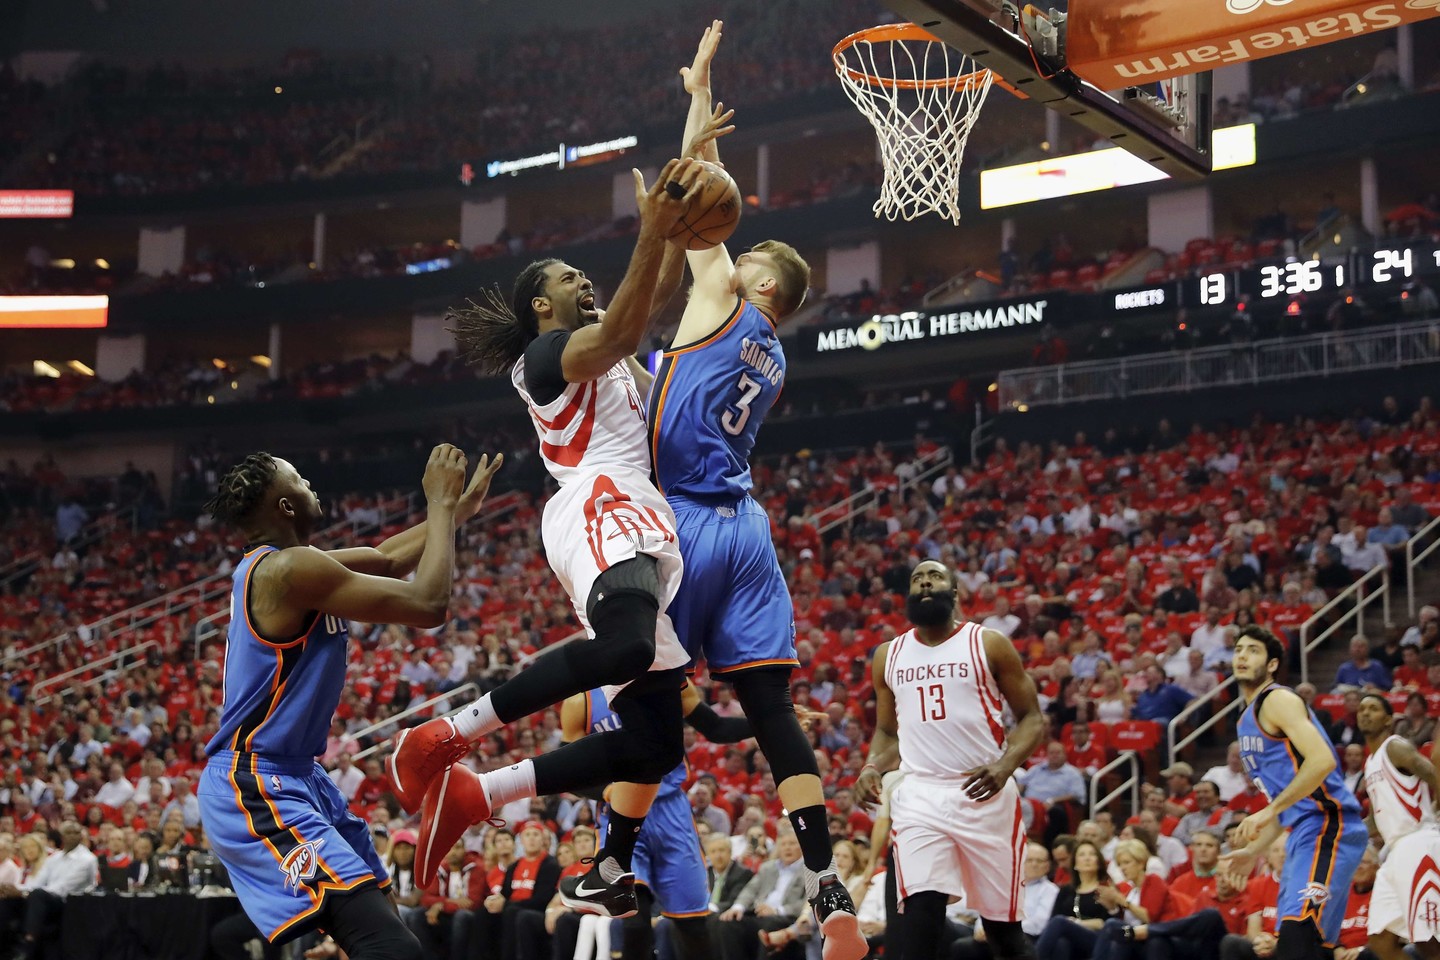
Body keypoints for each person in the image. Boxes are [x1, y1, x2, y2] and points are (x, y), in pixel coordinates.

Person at [389, 154, 713, 909]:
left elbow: (657, 287)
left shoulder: (608, 346)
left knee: (655, 746)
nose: (584, 280)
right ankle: (443, 734)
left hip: (632, 512)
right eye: (570, 277)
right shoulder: (544, 358)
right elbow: (629, 321)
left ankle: (479, 792)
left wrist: (690, 161)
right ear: (541, 304)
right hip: (599, 502)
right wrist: (651, 229)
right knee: (628, 649)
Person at [642, 23, 863, 960]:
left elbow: (697, 201)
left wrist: (697, 98)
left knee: (646, 694)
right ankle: (825, 878)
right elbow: (709, 208)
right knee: (772, 710)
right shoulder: (774, 355)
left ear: (758, 277)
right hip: (749, 528)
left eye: (744, 253)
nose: (728, 252)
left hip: (690, 518)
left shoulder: (724, 300)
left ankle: (614, 855)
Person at [196, 444, 496, 959]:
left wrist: (457, 512)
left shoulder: (290, 567)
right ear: (285, 506)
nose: (310, 484)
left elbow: (388, 558)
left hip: (299, 776)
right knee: (391, 947)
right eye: (299, 479)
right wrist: (440, 505)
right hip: (257, 783)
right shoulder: (289, 571)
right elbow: (429, 604)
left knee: (388, 934)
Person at [856, 559, 1045, 960]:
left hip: (983, 793)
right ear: (908, 594)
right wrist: (872, 765)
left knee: (1002, 936)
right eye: (917, 578)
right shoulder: (888, 655)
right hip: (920, 797)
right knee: (918, 922)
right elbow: (888, 732)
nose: (925, 582)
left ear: (954, 592)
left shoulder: (988, 643)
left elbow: (1031, 717)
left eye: (935, 576)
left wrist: (1005, 765)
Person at [559, 679, 755, 960]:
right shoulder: (581, 702)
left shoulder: (668, 676)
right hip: (621, 812)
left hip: (670, 809)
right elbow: (569, 770)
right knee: (633, 918)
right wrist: (607, 791)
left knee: (692, 925)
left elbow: (715, 726)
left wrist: (771, 720)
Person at [1218, 625, 1367, 960]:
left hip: (1329, 825)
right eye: (1238, 649)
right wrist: (1254, 851)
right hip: (1303, 831)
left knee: (1298, 938)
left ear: (1272, 664)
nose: (1242, 656)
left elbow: (1323, 761)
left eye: (1253, 650)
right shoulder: (1245, 721)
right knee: (1307, 944)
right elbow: (1286, 803)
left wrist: (1270, 810)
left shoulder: (1278, 700)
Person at [1355, 692, 1440, 960]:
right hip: (1395, 853)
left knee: (1429, 939)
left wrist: (1436, 810)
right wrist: (1343, 832)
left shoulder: (1395, 747)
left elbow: (1434, 775)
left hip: (1418, 843)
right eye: (1362, 709)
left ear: (1388, 720)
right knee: (1380, 939)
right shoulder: (1370, 763)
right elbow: (1375, 820)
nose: (1365, 713)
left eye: (1373, 709)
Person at [0, 819, 97, 960]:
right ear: (62, 836)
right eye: (68, 833)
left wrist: (24, 893)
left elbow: (62, 888)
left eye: (75, 832)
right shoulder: (54, 858)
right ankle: (4, 945)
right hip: (45, 899)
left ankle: (28, 944)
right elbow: (38, 882)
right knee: (8, 898)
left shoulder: (87, 859)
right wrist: (14, 889)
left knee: (38, 895)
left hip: (70, 903)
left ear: (81, 836)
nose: (72, 836)